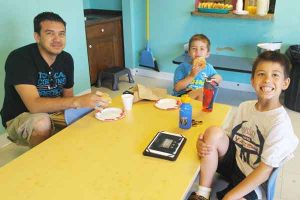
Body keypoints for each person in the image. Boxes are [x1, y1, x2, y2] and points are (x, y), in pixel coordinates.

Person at [189, 51, 299, 200]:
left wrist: (230, 197)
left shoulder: (279, 123)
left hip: (253, 179)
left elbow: (264, 172)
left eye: (275, 75)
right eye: (261, 74)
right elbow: (226, 137)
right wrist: (203, 144)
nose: (267, 80)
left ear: (285, 83)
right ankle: (202, 193)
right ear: (252, 80)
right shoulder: (244, 107)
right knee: (213, 132)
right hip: (235, 162)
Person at [0, 12, 110, 147]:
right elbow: (34, 106)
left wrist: (86, 106)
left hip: (53, 111)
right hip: (22, 116)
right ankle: (40, 160)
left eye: (61, 34)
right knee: (42, 123)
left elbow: (68, 96)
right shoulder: (20, 58)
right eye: (50, 33)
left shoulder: (66, 59)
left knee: (96, 111)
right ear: (37, 37)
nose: (57, 39)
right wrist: (78, 101)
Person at [173, 34, 222, 100]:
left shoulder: (209, 68)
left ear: (207, 54)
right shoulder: (182, 67)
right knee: (201, 91)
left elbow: (218, 78)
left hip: (201, 97)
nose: (198, 52)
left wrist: (215, 78)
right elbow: (177, 88)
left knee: (205, 90)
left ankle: (201, 108)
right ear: (189, 52)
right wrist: (191, 76)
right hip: (183, 97)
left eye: (202, 49)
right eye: (194, 48)